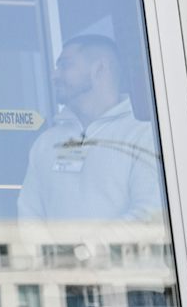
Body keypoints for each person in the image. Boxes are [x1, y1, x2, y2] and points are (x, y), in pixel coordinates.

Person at [16, 34, 165, 222]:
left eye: (65, 65)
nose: (54, 75)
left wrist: (85, 250)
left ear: (99, 69)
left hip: (122, 252)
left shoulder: (143, 136)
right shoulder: (46, 143)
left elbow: (149, 215)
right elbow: (29, 217)